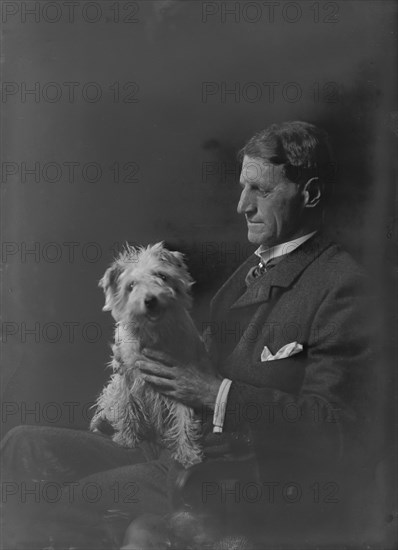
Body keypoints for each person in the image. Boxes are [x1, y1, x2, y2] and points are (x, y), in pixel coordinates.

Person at [1, 121, 375, 548]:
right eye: (242, 188)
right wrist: (130, 401)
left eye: (261, 190)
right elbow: (193, 354)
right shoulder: (252, 269)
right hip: (174, 447)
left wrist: (216, 394)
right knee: (24, 446)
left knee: (68, 501)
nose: (242, 206)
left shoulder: (341, 286)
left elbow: (340, 431)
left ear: (310, 193)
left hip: (233, 478)